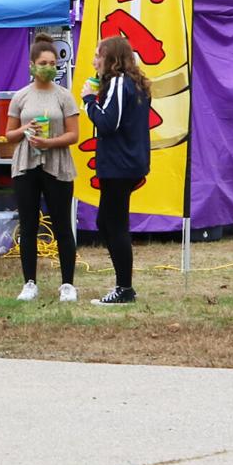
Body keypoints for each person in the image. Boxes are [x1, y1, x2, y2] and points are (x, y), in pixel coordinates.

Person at [2, 33, 81, 303]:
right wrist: (26, 129)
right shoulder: (21, 97)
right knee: (28, 224)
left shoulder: (64, 97)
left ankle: (68, 283)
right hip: (26, 164)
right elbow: (8, 135)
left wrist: (50, 141)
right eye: (43, 62)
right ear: (32, 66)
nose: (49, 67)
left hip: (57, 165)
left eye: (52, 62)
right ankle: (29, 282)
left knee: (62, 225)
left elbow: (74, 135)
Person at [81, 36, 152, 306]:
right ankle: (123, 286)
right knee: (106, 222)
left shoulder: (120, 83)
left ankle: (124, 288)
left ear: (111, 59)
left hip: (120, 164)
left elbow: (108, 123)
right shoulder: (132, 84)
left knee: (115, 224)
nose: (94, 61)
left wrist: (89, 100)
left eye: (98, 55)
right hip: (124, 163)